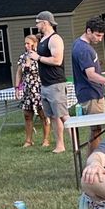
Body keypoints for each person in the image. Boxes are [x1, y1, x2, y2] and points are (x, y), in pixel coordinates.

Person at [35, 11, 71, 153]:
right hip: (45, 84)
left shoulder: (55, 39)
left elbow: (57, 60)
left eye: (38, 22)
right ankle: (60, 145)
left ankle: (76, 142)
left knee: (63, 115)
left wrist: (37, 58)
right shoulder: (43, 39)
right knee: (54, 117)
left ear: (45, 22)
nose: (36, 25)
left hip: (56, 83)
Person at [71, 18, 105, 116]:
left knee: (96, 128)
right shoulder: (85, 49)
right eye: (98, 35)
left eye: (102, 36)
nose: (100, 39)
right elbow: (91, 75)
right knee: (98, 128)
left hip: (88, 93)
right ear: (88, 31)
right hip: (92, 93)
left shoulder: (77, 43)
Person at [16, 29, 46, 147]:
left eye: (28, 43)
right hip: (28, 89)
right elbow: (19, 73)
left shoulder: (40, 57)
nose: (26, 45)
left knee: (43, 114)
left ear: (35, 44)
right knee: (27, 115)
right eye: (25, 43)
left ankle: (46, 139)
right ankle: (28, 140)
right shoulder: (23, 57)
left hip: (39, 88)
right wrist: (17, 88)